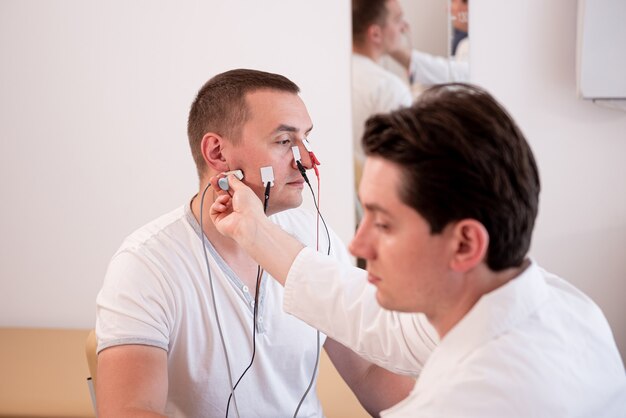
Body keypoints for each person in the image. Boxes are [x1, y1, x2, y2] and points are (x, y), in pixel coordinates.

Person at [210, 83, 626, 416]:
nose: (356, 243)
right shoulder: (568, 310)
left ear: (464, 243)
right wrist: (254, 230)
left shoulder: (470, 401)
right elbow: (368, 313)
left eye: (384, 223)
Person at [95, 69, 426, 417]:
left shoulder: (316, 235)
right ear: (218, 154)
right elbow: (129, 410)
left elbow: (369, 372)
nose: (308, 161)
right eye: (285, 141)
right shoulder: (146, 264)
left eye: (306, 139)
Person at [351, 0, 413, 198]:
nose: (404, 27)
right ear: (375, 33)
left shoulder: (332, 76)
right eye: (397, 20)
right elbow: (402, 163)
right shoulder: (389, 89)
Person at [388, 0, 469, 90]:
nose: (447, 9)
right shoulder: (463, 44)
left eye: (453, 2)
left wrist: (395, 49)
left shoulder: (471, 46)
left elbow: (459, 75)